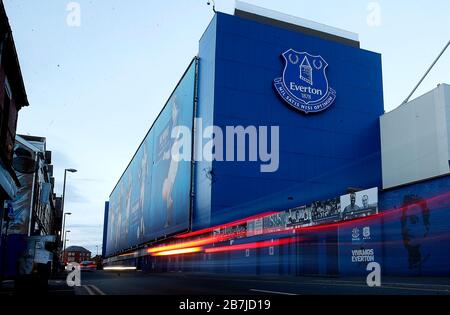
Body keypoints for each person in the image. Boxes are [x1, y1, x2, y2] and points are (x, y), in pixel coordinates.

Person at [401, 195, 430, 270]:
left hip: (411, 235)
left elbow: (404, 232)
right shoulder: (415, 244)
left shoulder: (410, 245)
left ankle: (412, 262)